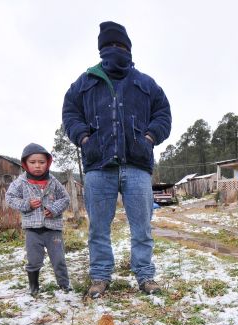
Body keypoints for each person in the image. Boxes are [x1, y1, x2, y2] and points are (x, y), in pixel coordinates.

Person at [62, 21, 171, 299]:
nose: (115, 50)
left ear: (129, 49)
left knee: (142, 228)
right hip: (99, 166)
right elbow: (70, 113)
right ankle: (100, 276)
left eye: (120, 46)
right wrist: (84, 139)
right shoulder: (85, 82)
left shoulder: (145, 83)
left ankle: (145, 275)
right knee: (98, 228)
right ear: (101, 50)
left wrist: (149, 138)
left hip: (137, 166)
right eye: (109, 46)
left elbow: (163, 114)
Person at [6, 143, 71, 296]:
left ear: (48, 163)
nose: (37, 166)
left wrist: (53, 209)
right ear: (25, 164)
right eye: (33, 162)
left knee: (59, 259)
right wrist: (26, 204)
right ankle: (34, 287)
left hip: (53, 229)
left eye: (41, 162)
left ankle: (64, 285)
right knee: (33, 259)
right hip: (32, 230)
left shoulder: (53, 182)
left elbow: (65, 198)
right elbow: (10, 197)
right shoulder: (21, 182)